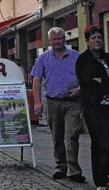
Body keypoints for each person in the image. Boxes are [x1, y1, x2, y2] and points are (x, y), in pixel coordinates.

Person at [76, 26, 109, 190]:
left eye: (99, 37)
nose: (97, 40)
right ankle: (100, 180)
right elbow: (87, 82)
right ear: (87, 41)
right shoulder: (83, 60)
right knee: (99, 142)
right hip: (93, 107)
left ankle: (104, 172)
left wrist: (103, 81)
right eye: (93, 38)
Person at [31, 27, 85, 182]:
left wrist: (80, 89)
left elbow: (85, 76)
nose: (56, 42)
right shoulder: (43, 58)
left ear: (64, 39)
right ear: (50, 41)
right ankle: (60, 167)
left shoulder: (76, 56)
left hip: (73, 102)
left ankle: (74, 170)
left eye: (59, 39)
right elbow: (36, 79)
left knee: (71, 136)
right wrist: (37, 102)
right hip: (53, 102)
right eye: (53, 39)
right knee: (57, 137)